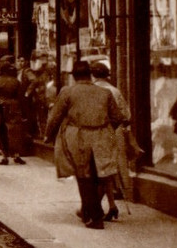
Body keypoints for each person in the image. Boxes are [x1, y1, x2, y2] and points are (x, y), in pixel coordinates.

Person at [46, 60, 127, 229]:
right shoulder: (105, 93)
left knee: (84, 177)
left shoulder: (68, 92)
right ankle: (90, 213)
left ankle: (94, 216)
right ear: (90, 75)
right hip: (102, 137)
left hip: (78, 137)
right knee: (99, 175)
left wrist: (49, 135)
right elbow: (118, 118)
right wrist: (104, 128)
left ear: (75, 76)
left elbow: (55, 117)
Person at [90, 60, 137, 220]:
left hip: (99, 134)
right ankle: (111, 205)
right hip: (115, 133)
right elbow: (126, 115)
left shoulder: (93, 91)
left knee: (100, 171)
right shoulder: (115, 91)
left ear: (93, 75)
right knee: (108, 170)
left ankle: (92, 205)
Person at [0, 59, 28, 164]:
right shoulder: (16, 82)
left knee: (1, 131)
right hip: (14, 107)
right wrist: (24, 112)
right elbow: (21, 98)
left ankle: (5, 156)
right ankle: (16, 154)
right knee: (15, 131)